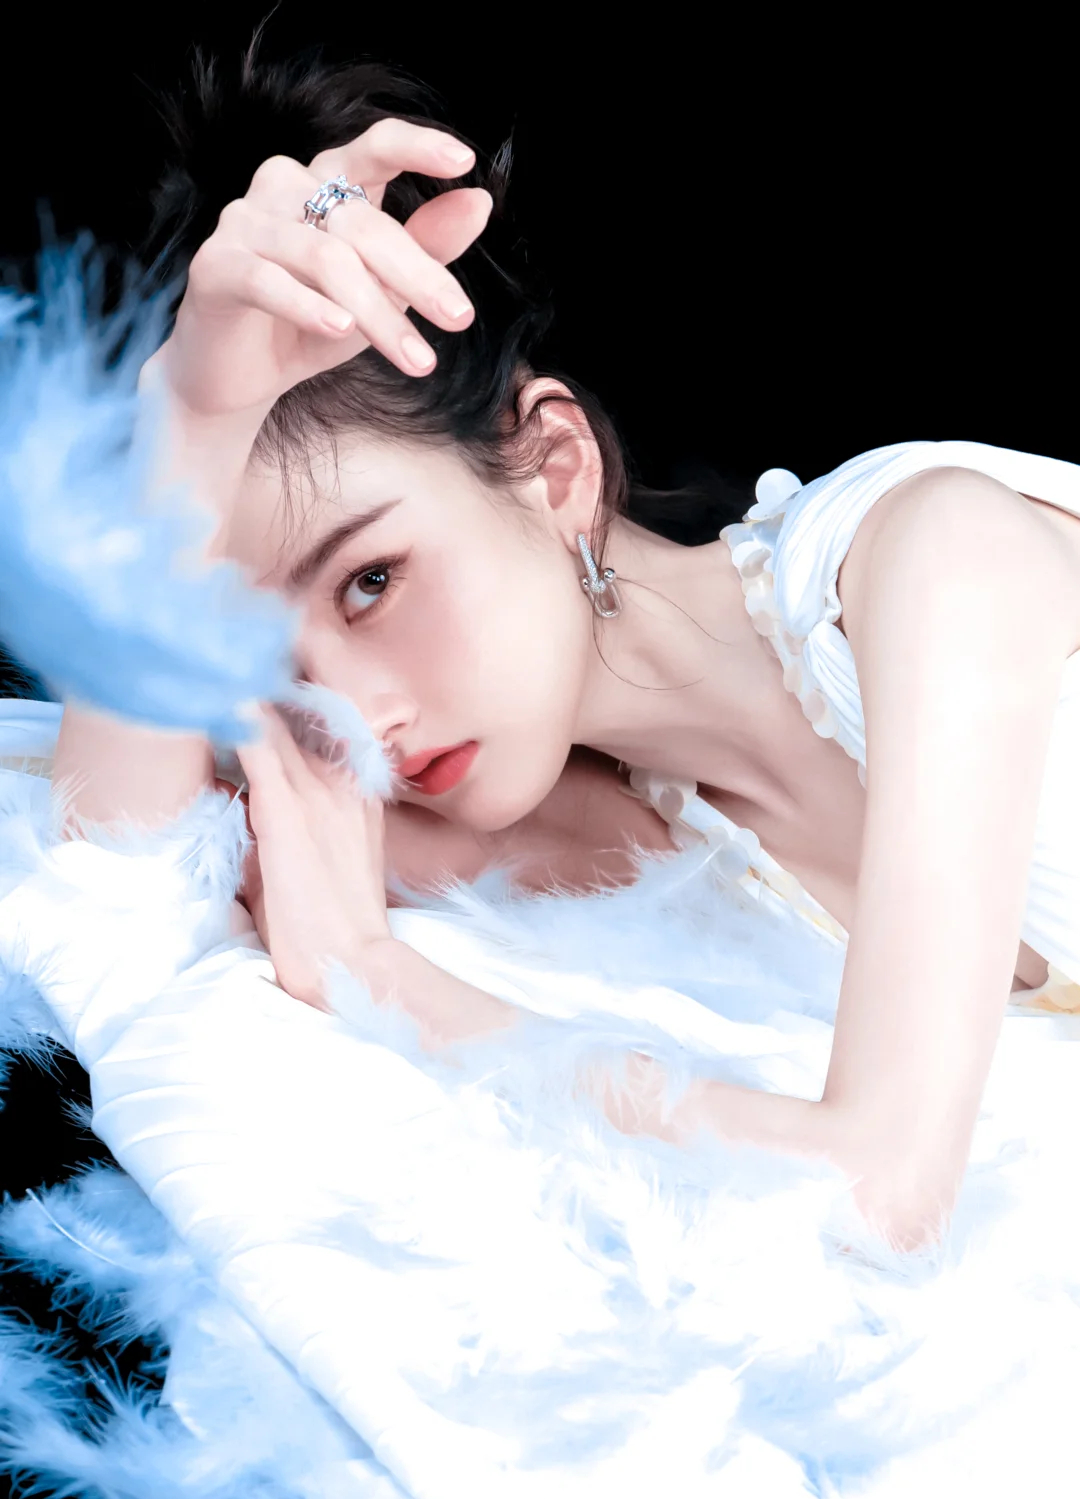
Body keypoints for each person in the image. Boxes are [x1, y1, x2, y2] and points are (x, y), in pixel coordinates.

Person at [44, 47, 1080, 1261]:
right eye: (275, 665)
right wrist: (188, 418)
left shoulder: (942, 559)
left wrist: (384, 981)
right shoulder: (609, 828)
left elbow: (879, 1190)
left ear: (555, 464)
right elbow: (118, 879)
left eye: (372, 582)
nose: (356, 716)